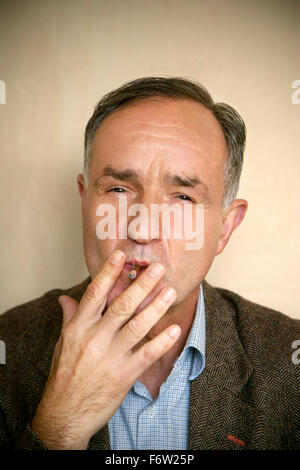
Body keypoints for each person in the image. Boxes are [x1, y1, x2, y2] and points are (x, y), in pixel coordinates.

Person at [0, 77, 299, 450]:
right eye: (118, 189)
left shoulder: (290, 363)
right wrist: (60, 427)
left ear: (225, 228)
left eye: (183, 198)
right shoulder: (7, 350)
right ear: (84, 202)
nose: (142, 229)